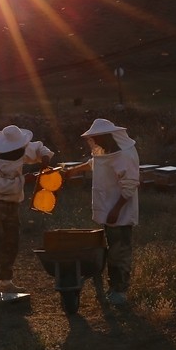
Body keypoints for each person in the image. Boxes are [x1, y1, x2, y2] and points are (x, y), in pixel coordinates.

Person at [62, 118, 140, 305]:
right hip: (109, 209)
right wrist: (73, 171)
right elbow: (94, 163)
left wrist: (116, 209)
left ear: (106, 136)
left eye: (96, 138)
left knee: (119, 252)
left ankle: (120, 291)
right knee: (111, 249)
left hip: (119, 212)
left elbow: (130, 185)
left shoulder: (125, 155)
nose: (94, 142)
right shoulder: (106, 152)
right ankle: (112, 288)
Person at [0, 124, 54, 296]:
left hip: (13, 203)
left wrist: (45, 156)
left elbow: (39, 147)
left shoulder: (22, 147)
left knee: (11, 241)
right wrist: (23, 181)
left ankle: (6, 281)